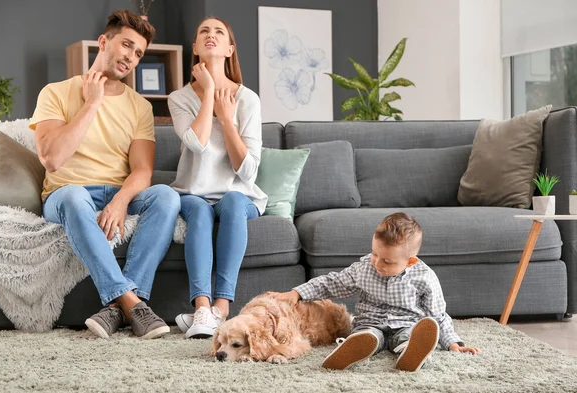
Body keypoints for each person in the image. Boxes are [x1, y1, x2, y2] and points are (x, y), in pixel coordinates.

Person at [30, 10, 181, 339]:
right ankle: (130, 301)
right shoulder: (55, 92)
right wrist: (92, 104)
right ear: (103, 42)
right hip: (67, 194)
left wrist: (122, 200)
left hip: (117, 190)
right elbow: (52, 159)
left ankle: (117, 310)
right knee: (72, 195)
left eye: (139, 52)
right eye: (126, 45)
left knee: (167, 196)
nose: (131, 56)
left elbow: (142, 169)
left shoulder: (139, 106)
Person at [270, 212, 480, 371]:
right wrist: (297, 293)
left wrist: (453, 343)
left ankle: (412, 352)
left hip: (406, 325)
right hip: (370, 323)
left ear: (411, 262)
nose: (377, 263)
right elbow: (331, 283)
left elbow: (437, 315)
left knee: (411, 335)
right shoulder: (364, 268)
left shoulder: (424, 277)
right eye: (374, 254)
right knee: (367, 334)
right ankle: (356, 348)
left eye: (387, 261)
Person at [167, 17, 267, 339]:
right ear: (195, 48)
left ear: (229, 49)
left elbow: (248, 170)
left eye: (219, 32)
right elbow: (196, 143)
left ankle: (220, 310)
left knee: (235, 200)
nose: (211, 35)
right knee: (197, 209)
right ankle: (201, 309)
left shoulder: (248, 100)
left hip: (238, 194)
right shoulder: (180, 99)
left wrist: (227, 120)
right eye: (204, 32)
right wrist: (209, 90)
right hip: (194, 192)